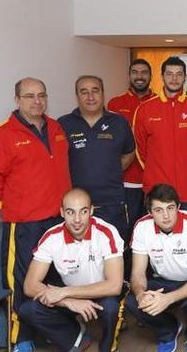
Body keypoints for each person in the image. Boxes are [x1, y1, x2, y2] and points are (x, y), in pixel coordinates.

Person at [0, 77, 71, 351]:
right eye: (29, 96)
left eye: (41, 95)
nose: (37, 101)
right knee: (20, 282)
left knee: (54, 278)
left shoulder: (56, 128)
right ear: (17, 100)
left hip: (57, 220)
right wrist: (12, 208)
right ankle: (21, 338)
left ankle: (50, 331)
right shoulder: (2, 134)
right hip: (25, 223)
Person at [19, 188, 124, 352]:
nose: (77, 220)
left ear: (91, 211)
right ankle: (76, 337)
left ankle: (107, 345)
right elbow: (30, 285)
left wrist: (65, 292)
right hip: (71, 298)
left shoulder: (106, 232)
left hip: (102, 294)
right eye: (70, 212)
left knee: (111, 308)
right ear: (62, 212)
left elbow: (114, 286)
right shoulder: (51, 237)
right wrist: (68, 300)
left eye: (83, 212)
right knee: (28, 309)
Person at [125, 184, 187, 352]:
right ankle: (168, 330)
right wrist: (141, 294)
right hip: (162, 281)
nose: (166, 216)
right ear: (150, 213)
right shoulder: (142, 227)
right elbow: (137, 273)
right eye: (158, 210)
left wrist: (169, 299)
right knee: (132, 301)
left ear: (178, 207)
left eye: (170, 208)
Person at [59, 75, 136, 249]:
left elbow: (129, 152)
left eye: (95, 91)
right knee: (79, 253)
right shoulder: (63, 124)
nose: (90, 97)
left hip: (112, 204)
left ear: (103, 93)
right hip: (77, 207)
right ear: (77, 96)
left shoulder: (119, 122)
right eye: (84, 92)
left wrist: (111, 170)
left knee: (114, 251)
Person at [132, 56, 187, 215]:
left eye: (179, 74)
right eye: (169, 74)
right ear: (162, 77)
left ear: (185, 77)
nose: (174, 78)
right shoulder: (144, 109)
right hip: (157, 191)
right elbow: (140, 150)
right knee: (156, 238)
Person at [108, 59, 159, 230]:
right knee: (127, 229)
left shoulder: (159, 103)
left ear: (151, 76)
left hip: (154, 180)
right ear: (129, 76)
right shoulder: (115, 104)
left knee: (153, 229)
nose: (139, 76)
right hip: (127, 182)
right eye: (135, 72)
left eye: (144, 72)